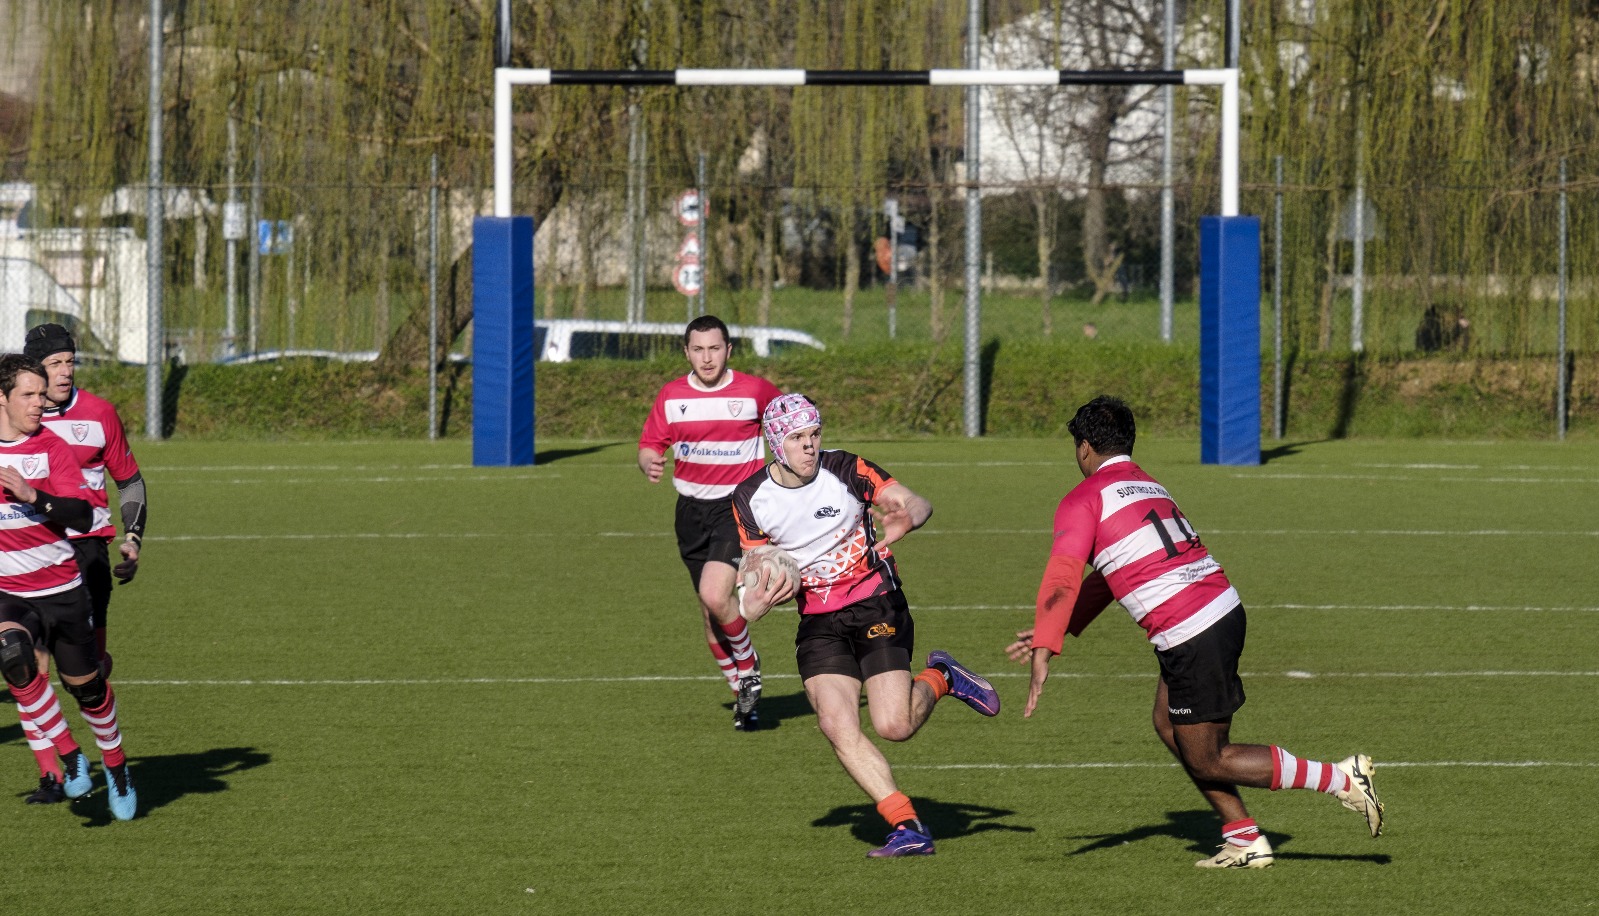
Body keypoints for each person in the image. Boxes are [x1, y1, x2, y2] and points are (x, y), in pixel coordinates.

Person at [1006, 396, 1382, 868]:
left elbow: (1063, 575)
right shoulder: (1147, 484)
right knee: (1169, 724)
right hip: (1218, 610)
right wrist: (1056, 627)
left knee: (1209, 757)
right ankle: (1243, 837)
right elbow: (1108, 573)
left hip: (1191, 629)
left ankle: (1341, 779)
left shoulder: (1084, 498)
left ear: (1084, 447)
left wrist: (1045, 646)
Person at [734, 393, 1001, 858]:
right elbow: (752, 584)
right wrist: (754, 601)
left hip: (876, 603)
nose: (810, 446)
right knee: (835, 723)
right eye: (797, 438)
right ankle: (908, 827)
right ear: (776, 443)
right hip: (818, 620)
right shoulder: (750, 498)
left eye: (815, 434)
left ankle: (942, 676)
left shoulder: (846, 468)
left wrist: (908, 516)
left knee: (894, 725)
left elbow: (916, 501)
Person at [0, 353, 136, 819]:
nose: (40, 403)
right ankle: (71, 754)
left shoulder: (51, 447)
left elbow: (81, 515)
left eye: (42, 394)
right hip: (9, 592)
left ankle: (116, 765)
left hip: (61, 588)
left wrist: (33, 496)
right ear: (2, 399)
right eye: (29, 394)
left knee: (89, 691)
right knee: (13, 658)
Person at [638, 315, 782, 730]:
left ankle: (749, 668)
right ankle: (744, 698)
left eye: (714, 348)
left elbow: (792, 421)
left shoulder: (755, 391)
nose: (707, 358)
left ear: (728, 350)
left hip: (737, 508)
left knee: (715, 594)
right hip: (690, 513)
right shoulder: (671, 396)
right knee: (710, 612)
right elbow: (649, 445)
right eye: (698, 349)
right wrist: (649, 462)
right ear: (686, 352)